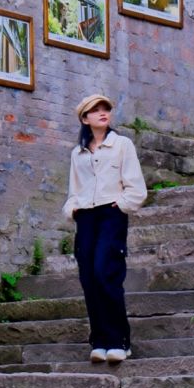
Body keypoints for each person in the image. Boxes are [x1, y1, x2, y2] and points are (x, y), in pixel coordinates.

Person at [63, 93, 148, 364]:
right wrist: (72, 209)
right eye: (95, 110)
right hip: (86, 217)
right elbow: (73, 189)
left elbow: (136, 187)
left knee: (105, 273)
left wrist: (120, 205)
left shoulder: (122, 145)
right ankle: (99, 340)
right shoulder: (78, 153)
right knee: (88, 278)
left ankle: (119, 340)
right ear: (85, 118)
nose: (102, 113)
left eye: (106, 109)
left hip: (111, 214)